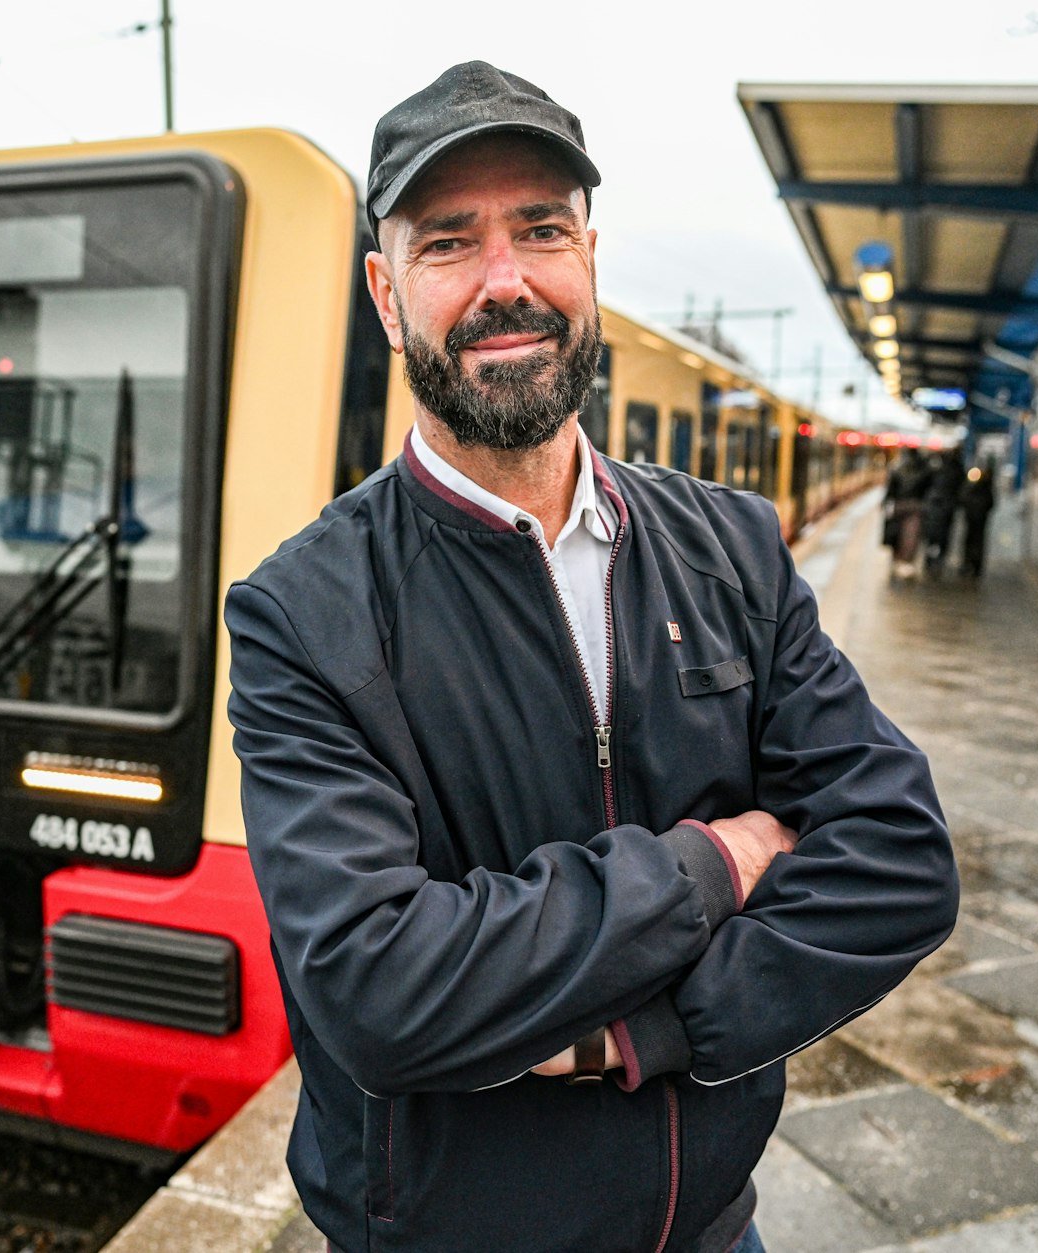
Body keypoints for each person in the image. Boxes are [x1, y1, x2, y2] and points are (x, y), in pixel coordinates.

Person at [224, 62, 957, 1253]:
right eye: (448, 242)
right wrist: (712, 865)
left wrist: (642, 1035)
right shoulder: (301, 613)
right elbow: (376, 986)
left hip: (714, 1230)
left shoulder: (731, 547)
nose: (504, 280)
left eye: (540, 229)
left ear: (589, 258)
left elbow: (901, 861)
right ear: (385, 290)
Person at [884, 448, 930, 577]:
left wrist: (887, 503)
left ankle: (896, 558)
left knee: (896, 531)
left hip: (898, 505)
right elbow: (928, 489)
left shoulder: (897, 468)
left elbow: (890, 489)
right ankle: (906, 562)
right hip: (916, 506)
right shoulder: (924, 470)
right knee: (911, 535)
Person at [921, 449, 964, 578]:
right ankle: (939, 557)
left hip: (934, 506)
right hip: (948, 508)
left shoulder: (936, 470)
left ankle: (930, 557)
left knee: (932, 533)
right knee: (944, 534)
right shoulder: (958, 470)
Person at [959, 458, 997, 579]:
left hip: (973, 517)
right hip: (979, 518)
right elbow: (991, 503)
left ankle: (969, 564)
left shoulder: (972, 486)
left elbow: (963, 497)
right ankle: (974, 566)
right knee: (977, 541)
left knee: (971, 541)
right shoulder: (986, 487)